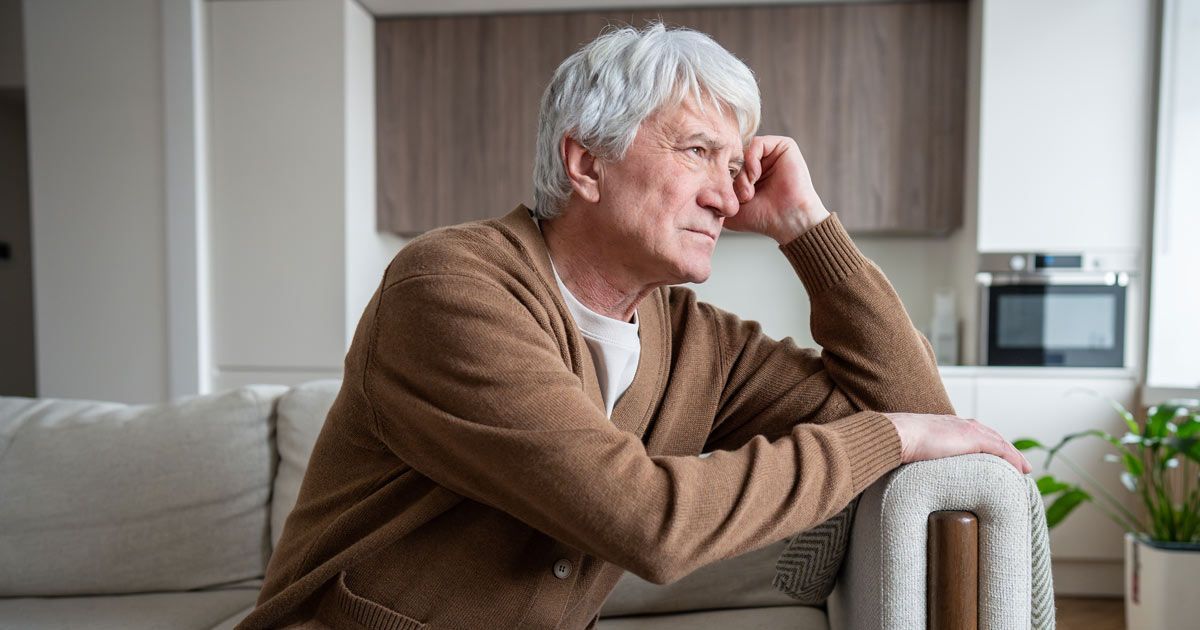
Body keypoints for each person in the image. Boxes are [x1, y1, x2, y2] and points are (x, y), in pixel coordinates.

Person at [236, 22, 1031, 630]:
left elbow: (921, 409)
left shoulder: (696, 340)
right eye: (697, 151)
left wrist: (806, 226)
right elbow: (649, 523)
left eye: (734, 165)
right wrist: (887, 440)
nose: (726, 196)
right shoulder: (449, 288)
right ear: (586, 164)